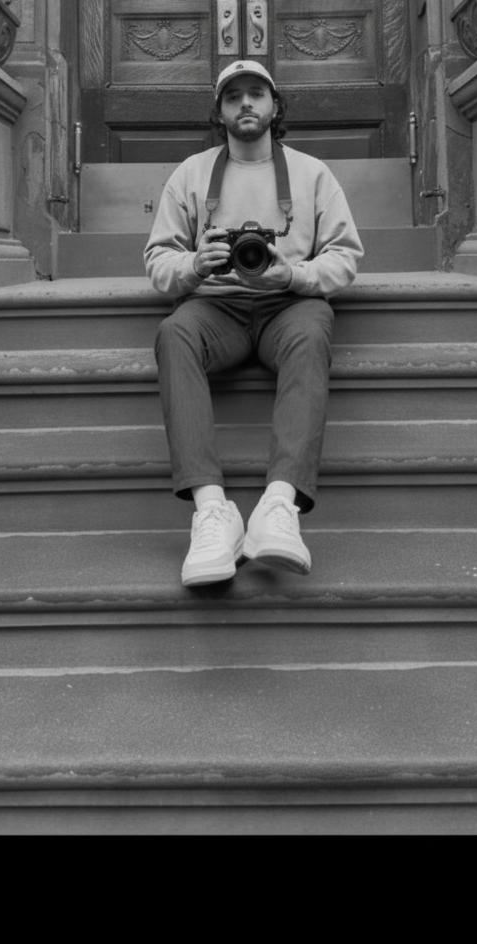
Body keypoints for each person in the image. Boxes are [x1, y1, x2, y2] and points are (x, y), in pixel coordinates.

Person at [144, 60, 364, 587]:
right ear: (219, 112)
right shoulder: (191, 174)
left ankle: (278, 504)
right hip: (215, 306)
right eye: (233, 96)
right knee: (173, 333)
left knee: (314, 330)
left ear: (275, 106)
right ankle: (212, 510)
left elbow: (346, 256)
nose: (246, 104)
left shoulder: (312, 174)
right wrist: (196, 264)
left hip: (287, 305)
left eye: (256, 94)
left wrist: (294, 275)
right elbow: (157, 260)